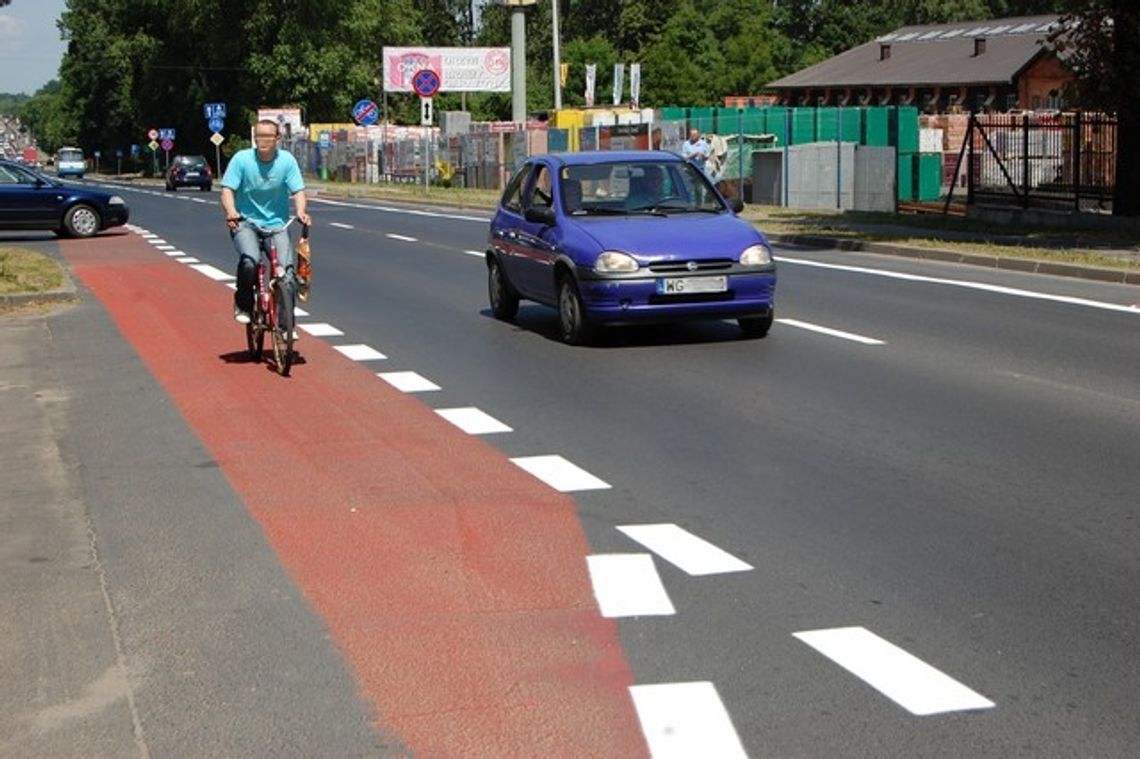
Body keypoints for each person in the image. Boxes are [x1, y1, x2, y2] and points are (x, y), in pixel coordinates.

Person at [220, 119, 311, 324]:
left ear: (277, 139)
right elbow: (227, 190)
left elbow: (298, 191)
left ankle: (285, 327)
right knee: (250, 262)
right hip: (246, 223)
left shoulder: (286, 161)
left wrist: (301, 211)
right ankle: (243, 305)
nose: (262, 141)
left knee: (286, 275)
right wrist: (232, 211)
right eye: (258, 136)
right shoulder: (242, 160)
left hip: (277, 225)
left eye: (268, 136)